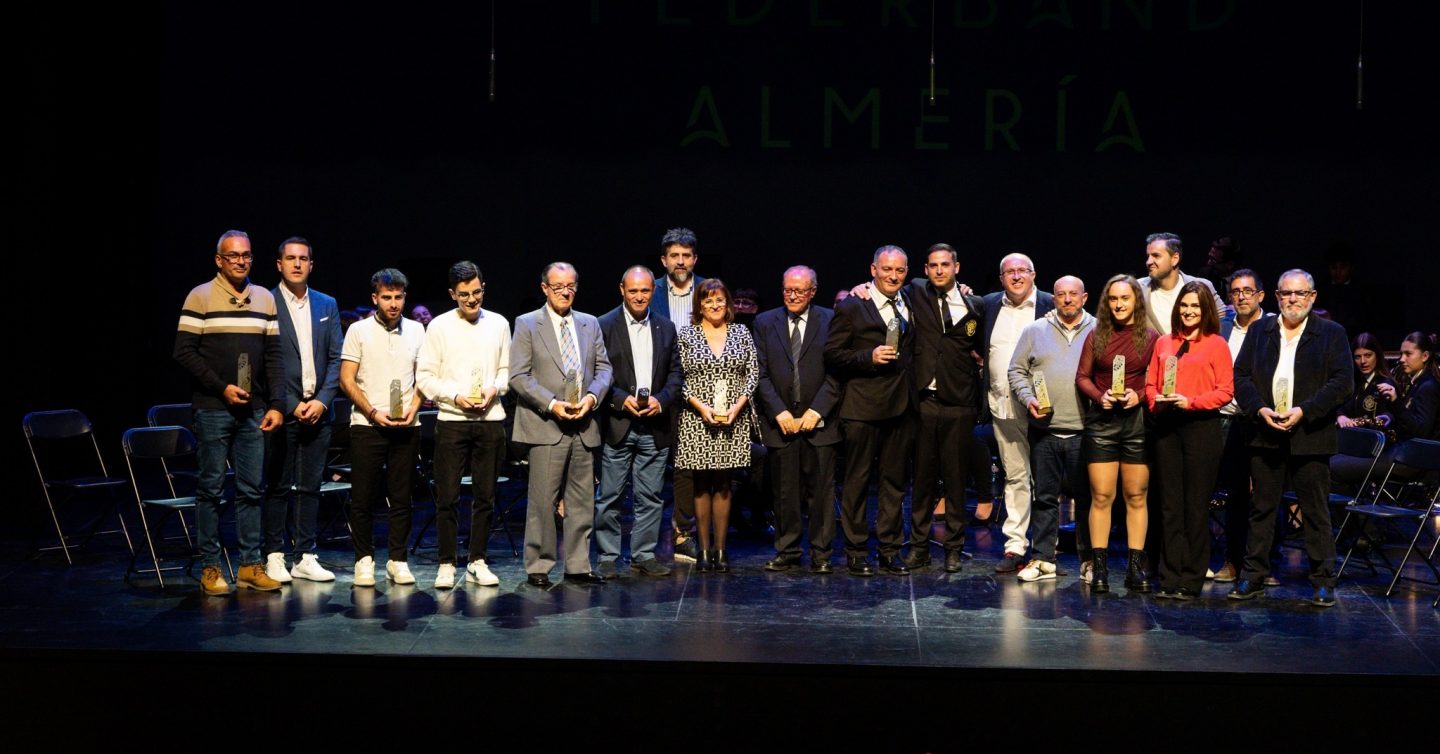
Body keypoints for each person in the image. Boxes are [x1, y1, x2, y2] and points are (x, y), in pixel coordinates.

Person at [1230, 269, 1352, 607]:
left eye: (1299, 293)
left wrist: (1305, 410)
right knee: (1262, 509)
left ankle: (1323, 581)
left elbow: (1343, 382)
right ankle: (1252, 576)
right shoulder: (1260, 331)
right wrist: (1259, 410)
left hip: (1310, 434)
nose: (1293, 299)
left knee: (1315, 511)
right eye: (1286, 294)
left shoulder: (1330, 333)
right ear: (1276, 297)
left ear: (1312, 297)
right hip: (1266, 432)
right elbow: (1240, 376)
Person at [174, 229, 286, 595]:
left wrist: (276, 405)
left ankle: (251, 565)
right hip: (213, 408)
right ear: (219, 260)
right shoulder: (201, 296)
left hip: (253, 411)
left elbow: (272, 357)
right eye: (233, 255)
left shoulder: (264, 299)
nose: (241, 261)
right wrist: (220, 387)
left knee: (252, 489)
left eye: (247, 255)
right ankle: (210, 567)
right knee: (210, 489)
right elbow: (184, 352)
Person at [509, 262, 613, 587]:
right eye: (558, 287)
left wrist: (592, 399)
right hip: (547, 425)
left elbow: (604, 369)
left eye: (571, 286)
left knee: (582, 499)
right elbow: (518, 376)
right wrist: (552, 405)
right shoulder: (527, 324)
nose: (565, 292)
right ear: (544, 289)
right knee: (542, 500)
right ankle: (539, 565)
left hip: (583, 423)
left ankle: (579, 565)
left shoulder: (589, 323)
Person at [415, 261, 509, 589]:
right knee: (447, 495)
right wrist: (455, 397)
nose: (472, 300)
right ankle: (446, 561)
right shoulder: (439, 327)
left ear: (485, 287)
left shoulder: (498, 323)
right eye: (464, 294)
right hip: (453, 421)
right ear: (453, 294)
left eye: (477, 292)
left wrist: (494, 389)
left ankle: (477, 559)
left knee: (486, 495)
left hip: (489, 419)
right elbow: (424, 376)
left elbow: (506, 370)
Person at [825, 246, 916, 577]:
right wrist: (867, 356)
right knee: (858, 481)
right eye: (887, 269)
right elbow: (833, 354)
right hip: (862, 406)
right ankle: (856, 550)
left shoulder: (911, 301)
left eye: (900, 270)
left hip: (901, 407)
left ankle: (890, 550)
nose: (893, 276)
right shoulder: (852, 306)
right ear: (873, 270)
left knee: (894, 482)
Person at [1146, 282, 1234, 599]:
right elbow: (1151, 385)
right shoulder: (1164, 343)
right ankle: (1169, 576)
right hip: (1168, 428)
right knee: (1170, 506)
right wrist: (1159, 400)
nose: (1188, 311)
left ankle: (1192, 577)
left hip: (1201, 428)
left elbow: (1225, 391)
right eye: (1184, 305)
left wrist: (1192, 401)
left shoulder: (1216, 344)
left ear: (1206, 309)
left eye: (1195, 306)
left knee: (1195, 506)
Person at [594, 266, 682, 578]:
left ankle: (644, 555)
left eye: (645, 291)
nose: (639, 296)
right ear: (622, 290)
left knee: (651, 497)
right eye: (633, 291)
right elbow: (598, 373)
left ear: (653, 292)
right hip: (619, 423)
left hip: (654, 425)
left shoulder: (666, 327)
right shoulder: (604, 324)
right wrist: (619, 399)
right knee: (610, 496)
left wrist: (662, 400)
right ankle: (607, 556)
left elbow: (676, 374)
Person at [339, 268, 425, 587]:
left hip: (406, 424)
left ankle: (398, 560)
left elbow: (424, 375)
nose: (393, 303)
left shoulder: (417, 330)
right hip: (367, 424)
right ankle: (364, 559)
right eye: (386, 297)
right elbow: (346, 379)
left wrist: (414, 408)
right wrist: (373, 412)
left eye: (398, 297)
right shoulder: (358, 331)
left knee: (402, 497)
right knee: (362, 497)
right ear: (375, 298)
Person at [263, 236, 341, 584]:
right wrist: (291, 405)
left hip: (319, 410)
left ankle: (305, 555)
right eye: (290, 258)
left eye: (303, 258)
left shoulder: (326, 304)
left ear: (312, 264)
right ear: (279, 264)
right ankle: (274, 554)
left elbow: (336, 358)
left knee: (311, 486)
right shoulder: (265, 302)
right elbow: (266, 362)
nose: (297, 264)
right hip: (283, 408)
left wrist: (322, 400)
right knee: (278, 485)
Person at [1008, 276, 1096, 583]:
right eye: (1061, 295)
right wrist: (1028, 397)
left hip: (1085, 431)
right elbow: (1016, 370)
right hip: (1044, 431)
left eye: (1073, 294)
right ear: (1053, 298)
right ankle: (1043, 558)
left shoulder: (1098, 330)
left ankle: (1089, 561)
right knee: (1044, 497)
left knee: (1087, 499)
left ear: (1084, 297)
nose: (1067, 299)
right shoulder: (1035, 330)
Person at [754, 266, 841, 574]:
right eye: (787, 290)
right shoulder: (765, 322)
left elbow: (837, 372)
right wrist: (779, 412)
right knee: (784, 491)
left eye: (799, 291)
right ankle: (788, 551)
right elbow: (760, 373)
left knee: (821, 492)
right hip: (782, 424)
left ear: (813, 292)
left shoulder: (831, 321)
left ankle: (821, 553)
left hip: (820, 423)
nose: (792, 296)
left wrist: (816, 411)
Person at [905, 244, 986, 573]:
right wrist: (863, 286)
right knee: (922, 479)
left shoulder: (974, 304)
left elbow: (977, 345)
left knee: (955, 479)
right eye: (933, 265)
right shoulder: (916, 291)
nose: (939, 270)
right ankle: (919, 547)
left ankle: (953, 547)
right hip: (924, 401)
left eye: (945, 265)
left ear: (956, 267)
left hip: (959, 401)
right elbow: (887, 284)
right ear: (926, 269)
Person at [1075, 274, 1158, 593]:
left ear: (1136, 300)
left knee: (1136, 496)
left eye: (1125, 298)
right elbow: (1082, 377)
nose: (1119, 304)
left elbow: (1157, 376)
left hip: (1137, 423)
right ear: (1106, 303)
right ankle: (1099, 568)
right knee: (1102, 496)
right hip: (1103, 423)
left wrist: (1140, 394)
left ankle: (1136, 568)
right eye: (1113, 299)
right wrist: (1100, 396)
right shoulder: (1096, 335)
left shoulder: (1150, 337)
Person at [675, 278, 758, 573]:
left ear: (728, 303)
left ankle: (721, 551)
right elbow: (679, 378)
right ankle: (704, 550)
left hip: (733, 419)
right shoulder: (688, 335)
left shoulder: (740, 332)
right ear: (699, 304)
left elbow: (752, 373)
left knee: (724, 484)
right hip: (697, 419)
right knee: (700, 485)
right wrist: (701, 407)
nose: (714, 305)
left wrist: (737, 407)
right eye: (707, 300)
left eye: (719, 300)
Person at [983, 252, 1055, 573]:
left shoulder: (1052, 304)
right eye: (1009, 272)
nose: (1016, 276)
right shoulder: (987, 305)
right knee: (1015, 476)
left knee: (1046, 480)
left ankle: (1045, 550)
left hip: (1043, 407)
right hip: (1002, 404)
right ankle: (1014, 545)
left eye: (1022, 271)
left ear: (1034, 274)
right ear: (1001, 279)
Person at [1213, 269, 1274, 582]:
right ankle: (1233, 561)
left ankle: (1264, 565)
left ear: (1261, 295)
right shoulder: (1222, 327)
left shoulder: (1275, 327)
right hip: (1227, 420)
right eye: (1235, 291)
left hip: (1263, 420)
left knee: (1266, 495)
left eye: (1247, 291)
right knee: (1234, 496)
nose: (1241, 296)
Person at [658, 227, 704, 563]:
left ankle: (682, 532)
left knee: (690, 467)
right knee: (656, 464)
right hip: (660, 389)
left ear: (695, 259)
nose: (680, 261)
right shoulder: (649, 289)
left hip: (699, 391)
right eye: (674, 255)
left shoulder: (708, 290)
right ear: (664, 260)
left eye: (686, 255)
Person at [1137, 232, 1228, 335]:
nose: (1148, 262)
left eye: (1156, 256)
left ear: (1175, 259)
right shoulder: (1137, 288)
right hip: (1157, 351)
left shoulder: (1201, 286)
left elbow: (1224, 318)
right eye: (1148, 256)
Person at [1337, 332, 1395, 430]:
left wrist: (1387, 417)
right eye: (1358, 357)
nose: (1363, 361)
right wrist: (1340, 416)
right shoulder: (1353, 382)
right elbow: (1341, 407)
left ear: (1377, 356)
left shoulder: (1386, 384)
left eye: (1368, 355)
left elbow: (1392, 413)